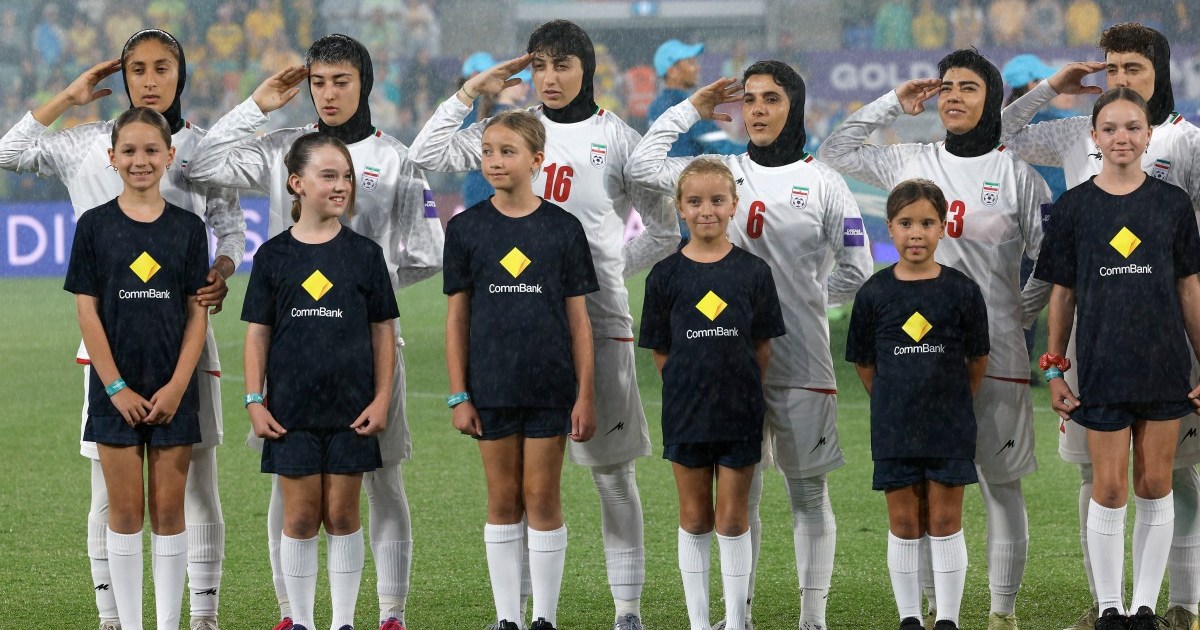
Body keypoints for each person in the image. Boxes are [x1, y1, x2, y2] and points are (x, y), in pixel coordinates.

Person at [408, 19, 680, 630]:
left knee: (611, 475)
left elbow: (664, 230)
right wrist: (471, 90)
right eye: (541, 67)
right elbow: (424, 154)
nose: (550, 79)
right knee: (520, 491)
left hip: (596, 323)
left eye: (563, 65)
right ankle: (521, 615)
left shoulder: (618, 139)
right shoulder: (512, 128)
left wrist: (603, 272)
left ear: (587, 68)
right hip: (512, 329)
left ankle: (627, 610)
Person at [186, 34, 443, 630]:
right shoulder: (284, 148)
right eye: (318, 82)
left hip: (372, 344)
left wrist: (366, 294)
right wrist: (257, 106)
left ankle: (390, 613)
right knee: (289, 482)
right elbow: (199, 165)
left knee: (382, 478)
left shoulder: (399, 158)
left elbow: (429, 251)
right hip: (291, 346)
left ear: (365, 84)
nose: (328, 94)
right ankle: (290, 614)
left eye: (341, 81)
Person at [0, 28, 242, 630]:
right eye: (138, 69)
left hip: (184, 336)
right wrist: (67, 96)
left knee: (196, 485)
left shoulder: (204, 150)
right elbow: (5, 153)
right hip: (109, 346)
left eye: (164, 68)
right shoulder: (84, 143)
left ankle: (202, 616)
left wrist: (222, 268)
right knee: (108, 495)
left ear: (181, 76)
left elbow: (229, 225)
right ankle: (114, 617)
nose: (151, 80)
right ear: (123, 78)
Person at [629, 60, 874, 630]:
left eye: (772, 99)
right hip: (724, 368)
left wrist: (802, 301)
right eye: (751, 100)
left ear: (796, 107)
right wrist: (692, 105)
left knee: (808, 494)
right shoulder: (719, 173)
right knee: (744, 499)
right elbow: (643, 165)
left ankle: (812, 617)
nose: (758, 110)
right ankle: (739, 616)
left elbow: (857, 270)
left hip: (800, 359)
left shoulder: (824, 182)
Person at [820, 48, 1050, 630]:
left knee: (1000, 486)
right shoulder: (910, 161)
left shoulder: (1016, 174)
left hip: (994, 356)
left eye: (968, 87)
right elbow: (835, 151)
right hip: (915, 363)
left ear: (992, 100)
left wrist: (1014, 317)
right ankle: (923, 611)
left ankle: (1002, 612)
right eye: (946, 86)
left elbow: (1051, 261)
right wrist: (893, 102)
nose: (952, 96)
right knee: (920, 489)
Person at [1000, 23, 1200, 630]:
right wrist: (1047, 88)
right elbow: (1000, 134)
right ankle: (1104, 604)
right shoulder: (1072, 130)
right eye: (1111, 69)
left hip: (1166, 340)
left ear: (1159, 75)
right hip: (1095, 338)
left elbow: (1191, 267)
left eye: (1132, 70)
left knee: (1174, 478)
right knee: (1097, 477)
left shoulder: (1187, 143)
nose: (1118, 82)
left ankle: (1179, 605)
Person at [444, 110, 598, 630]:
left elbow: (579, 321)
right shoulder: (466, 229)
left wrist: (585, 395)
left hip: (550, 387)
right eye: (487, 151)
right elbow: (457, 319)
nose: (494, 161)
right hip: (490, 388)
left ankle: (544, 618)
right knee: (503, 498)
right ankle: (507, 618)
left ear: (536, 160)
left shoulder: (563, 228)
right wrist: (458, 394)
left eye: (507, 152)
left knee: (542, 496)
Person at [242, 133, 397, 630]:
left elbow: (382, 333)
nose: (341, 185)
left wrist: (382, 398)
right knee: (302, 518)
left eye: (346, 176)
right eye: (328, 176)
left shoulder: (364, 254)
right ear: (296, 183)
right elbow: (257, 336)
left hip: (351, 410)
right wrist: (253, 400)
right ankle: (303, 621)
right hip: (290, 413)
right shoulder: (272, 256)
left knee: (343, 516)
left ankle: (344, 622)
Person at [64, 106, 211, 630]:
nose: (140, 159)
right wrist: (116, 387)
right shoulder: (94, 226)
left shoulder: (189, 229)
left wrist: (176, 386)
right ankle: (128, 623)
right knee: (124, 515)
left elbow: (198, 311)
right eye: (129, 150)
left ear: (170, 156)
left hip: (173, 391)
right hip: (116, 392)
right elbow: (87, 310)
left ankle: (168, 624)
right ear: (112, 158)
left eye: (152, 150)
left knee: (170, 514)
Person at [638, 158, 785, 630]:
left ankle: (736, 621)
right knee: (695, 516)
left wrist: (736, 387)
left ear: (733, 206)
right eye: (695, 201)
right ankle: (700, 623)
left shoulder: (754, 271)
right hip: (685, 412)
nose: (707, 210)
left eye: (717, 201)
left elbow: (760, 347)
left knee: (733, 517)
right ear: (679, 208)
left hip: (740, 410)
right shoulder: (663, 276)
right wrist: (688, 385)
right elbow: (662, 352)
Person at [846, 178, 990, 630]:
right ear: (889, 227)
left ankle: (947, 619)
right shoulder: (873, 293)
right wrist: (894, 401)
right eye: (906, 223)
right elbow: (865, 364)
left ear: (943, 228)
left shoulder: (962, 290)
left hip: (949, 426)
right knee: (905, 523)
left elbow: (977, 360)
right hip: (894, 428)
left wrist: (949, 401)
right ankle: (909, 617)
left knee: (946, 521)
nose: (916, 233)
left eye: (927, 223)